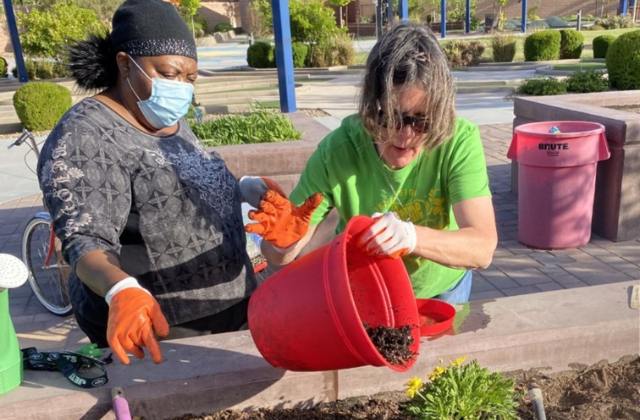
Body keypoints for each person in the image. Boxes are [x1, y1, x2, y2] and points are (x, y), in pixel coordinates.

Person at [37, 0, 257, 365]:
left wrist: (247, 188)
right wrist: (121, 289)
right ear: (125, 64)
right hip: (163, 325)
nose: (182, 88)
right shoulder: (85, 135)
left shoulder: (166, 120)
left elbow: (193, 178)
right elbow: (84, 242)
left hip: (229, 306)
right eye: (170, 73)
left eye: (190, 78)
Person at [243, 23, 498, 304]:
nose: (405, 135)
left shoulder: (457, 140)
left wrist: (411, 237)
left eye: (421, 121)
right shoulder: (338, 151)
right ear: (369, 105)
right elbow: (283, 258)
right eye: (390, 117)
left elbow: (482, 247)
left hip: (442, 290)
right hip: (365, 289)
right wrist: (283, 242)